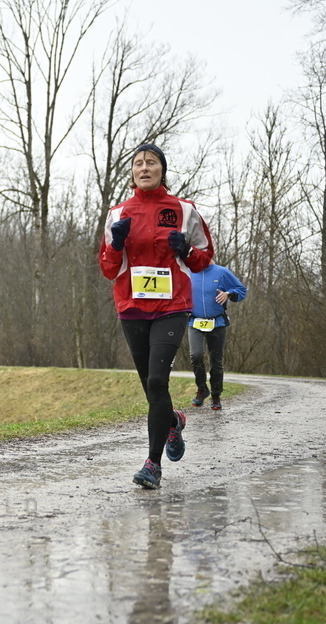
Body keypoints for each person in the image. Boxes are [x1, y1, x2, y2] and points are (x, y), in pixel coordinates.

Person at [99, 143, 215, 489]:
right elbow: (107, 268)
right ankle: (172, 422)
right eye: (138, 163)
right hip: (132, 306)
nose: (144, 168)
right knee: (151, 387)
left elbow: (204, 258)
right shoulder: (118, 213)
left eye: (151, 162)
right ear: (132, 172)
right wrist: (115, 245)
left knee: (156, 381)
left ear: (162, 170)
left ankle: (153, 464)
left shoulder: (183, 210)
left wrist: (187, 249)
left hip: (171, 306)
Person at [188, 260, 247, 410]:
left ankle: (216, 395)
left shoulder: (221, 272)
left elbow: (241, 290)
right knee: (196, 355)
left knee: (216, 360)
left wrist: (228, 294)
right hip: (195, 322)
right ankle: (202, 389)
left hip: (217, 322)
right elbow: (177, 291)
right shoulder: (188, 271)